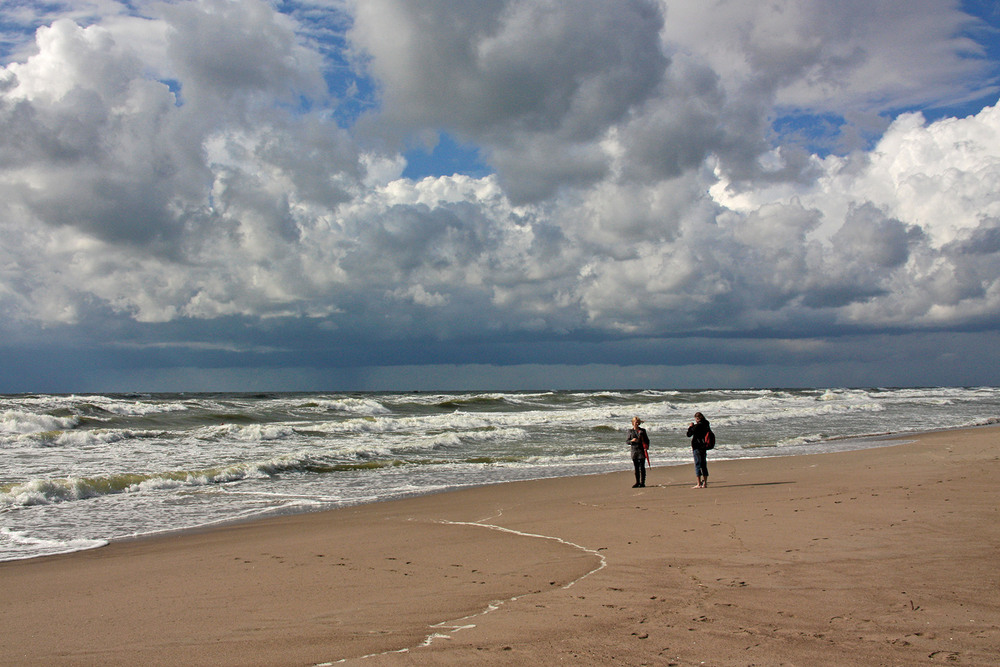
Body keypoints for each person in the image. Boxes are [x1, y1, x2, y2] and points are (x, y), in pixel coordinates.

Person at [686, 412, 710, 488]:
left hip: (697, 446)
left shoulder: (697, 426)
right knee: (703, 464)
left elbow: (689, 434)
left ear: (697, 418)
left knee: (697, 464)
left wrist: (690, 427)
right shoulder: (706, 424)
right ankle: (705, 483)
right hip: (704, 446)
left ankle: (699, 483)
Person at [627, 416, 649, 488]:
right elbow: (627, 441)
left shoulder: (642, 431)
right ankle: (637, 482)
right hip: (634, 451)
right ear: (633, 423)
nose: (636, 423)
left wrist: (646, 447)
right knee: (636, 468)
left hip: (641, 450)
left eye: (637, 422)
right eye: (635, 422)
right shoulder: (630, 431)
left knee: (642, 467)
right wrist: (631, 441)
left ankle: (642, 483)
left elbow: (647, 440)